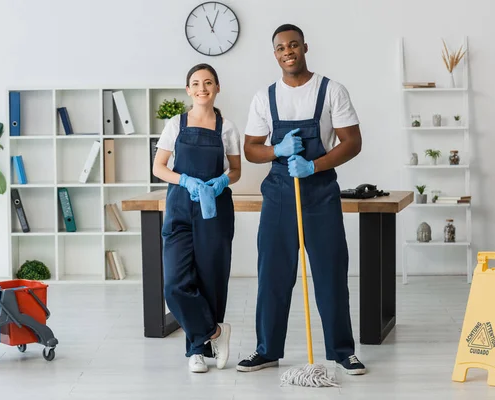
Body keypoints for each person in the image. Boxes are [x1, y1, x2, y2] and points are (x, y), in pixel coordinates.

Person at [237, 24, 366, 375]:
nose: (287, 51)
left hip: (321, 193)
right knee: (273, 274)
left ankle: (342, 351)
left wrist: (313, 165)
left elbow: (352, 142)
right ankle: (266, 350)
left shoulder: (331, 90)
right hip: (279, 195)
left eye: (293, 45)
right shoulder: (265, 97)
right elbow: (250, 149)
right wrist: (276, 150)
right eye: (281, 47)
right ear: (275, 53)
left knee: (330, 274)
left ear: (305, 47)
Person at [152, 63, 242, 373]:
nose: (202, 87)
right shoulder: (175, 125)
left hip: (214, 209)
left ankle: (197, 351)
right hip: (180, 206)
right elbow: (159, 167)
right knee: (175, 284)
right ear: (188, 90)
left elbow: (236, 170)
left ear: (217, 88)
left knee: (211, 280)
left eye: (208, 82)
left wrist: (222, 181)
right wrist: (185, 180)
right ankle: (215, 332)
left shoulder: (227, 127)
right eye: (196, 83)